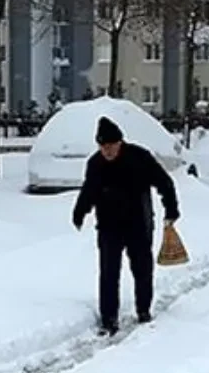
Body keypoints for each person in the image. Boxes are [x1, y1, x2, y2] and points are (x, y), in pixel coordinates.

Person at [73, 117, 180, 336]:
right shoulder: (95, 164)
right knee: (108, 272)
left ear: (120, 142)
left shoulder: (139, 157)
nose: (108, 151)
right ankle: (109, 319)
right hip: (108, 226)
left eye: (111, 145)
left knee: (142, 269)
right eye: (103, 146)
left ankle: (143, 310)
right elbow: (89, 190)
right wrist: (80, 211)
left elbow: (164, 183)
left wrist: (171, 210)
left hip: (138, 223)